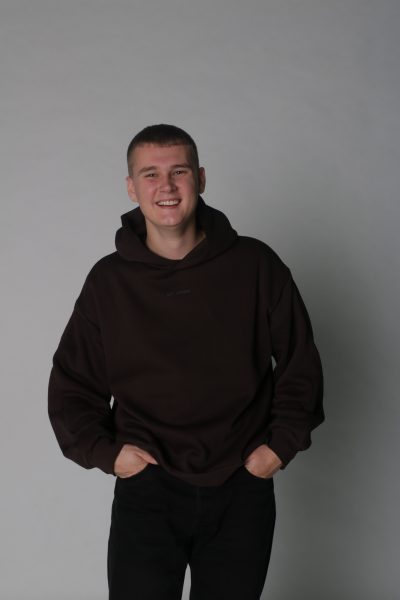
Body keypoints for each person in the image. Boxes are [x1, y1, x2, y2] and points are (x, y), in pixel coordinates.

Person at [48, 124, 324, 600]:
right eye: (150, 174)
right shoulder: (108, 282)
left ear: (200, 177)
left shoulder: (256, 265)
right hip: (148, 489)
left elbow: (301, 364)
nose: (167, 186)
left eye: (179, 171)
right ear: (131, 187)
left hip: (242, 484)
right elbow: (72, 385)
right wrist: (109, 454)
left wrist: (277, 449)